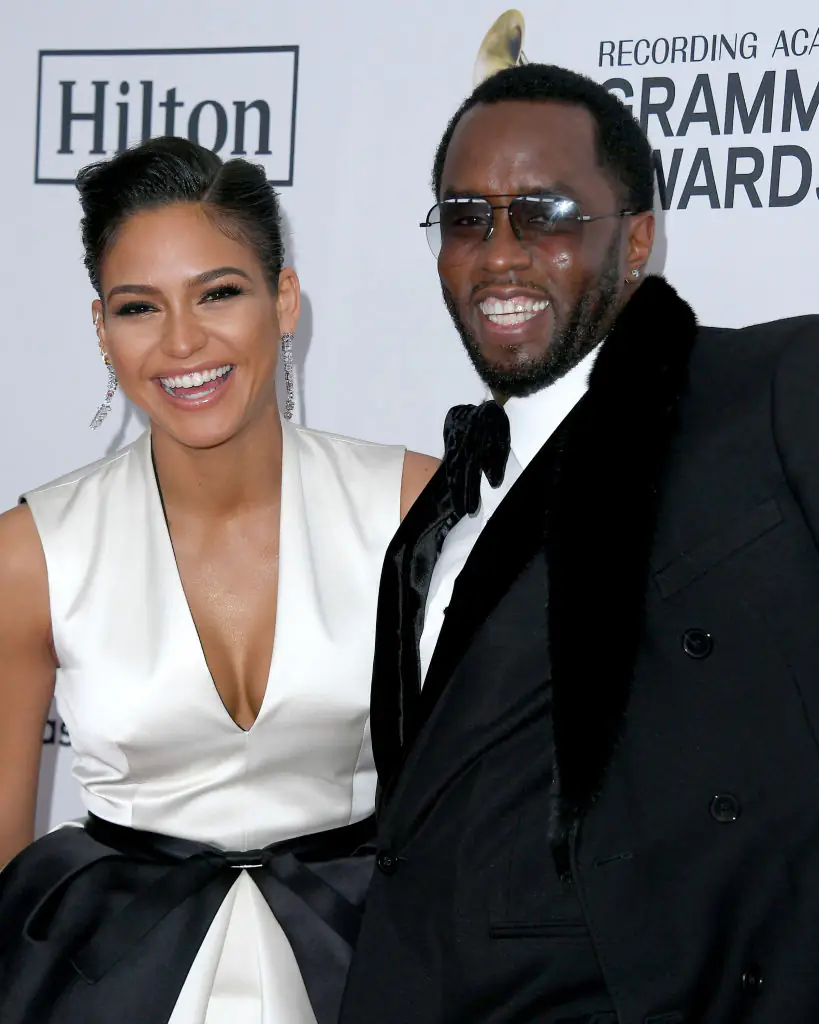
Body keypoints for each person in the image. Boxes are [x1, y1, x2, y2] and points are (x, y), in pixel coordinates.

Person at [339, 62, 819, 1024]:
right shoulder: (439, 511)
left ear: (635, 239)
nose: (499, 255)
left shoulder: (766, 392)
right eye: (465, 218)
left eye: (545, 213)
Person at [0, 135, 437, 1024]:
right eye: (138, 307)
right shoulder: (30, 552)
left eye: (219, 293)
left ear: (284, 300)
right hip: (103, 981)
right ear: (101, 331)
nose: (182, 341)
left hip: (373, 966)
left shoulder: (412, 508)